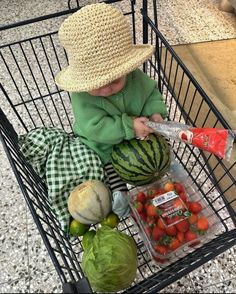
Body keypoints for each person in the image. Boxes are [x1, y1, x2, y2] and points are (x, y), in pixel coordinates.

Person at [55, 2, 168, 217]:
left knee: (160, 146)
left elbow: (151, 93)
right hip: (103, 142)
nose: (107, 88)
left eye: (115, 80)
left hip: (141, 133)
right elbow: (94, 128)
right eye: (97, 84)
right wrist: (128, 126)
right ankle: (119, 190)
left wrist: (156, 114)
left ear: (127, 69)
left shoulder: (136, 78)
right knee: (104, 163)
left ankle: (165, 168)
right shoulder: (82, 98)